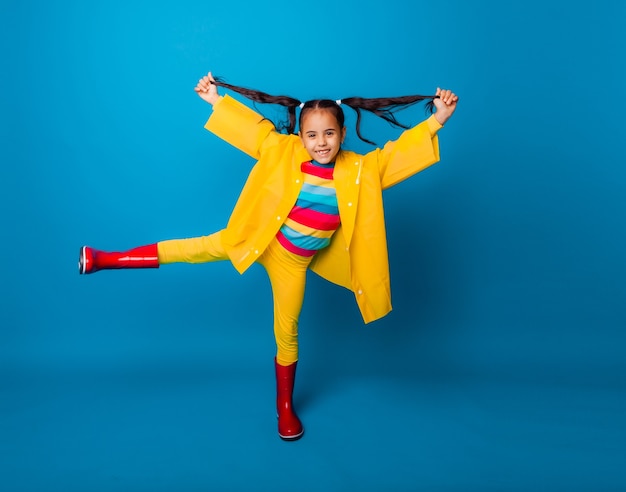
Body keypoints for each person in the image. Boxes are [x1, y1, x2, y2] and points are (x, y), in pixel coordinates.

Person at [78, 72, 458, 441]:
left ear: (343, 134)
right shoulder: (282, 149)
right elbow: (254, 132)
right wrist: (215, 100)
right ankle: (106, 258)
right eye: (312, 135)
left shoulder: (361, 169)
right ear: (300, 136)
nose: (321, 143)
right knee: (196, 248)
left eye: (329, 134)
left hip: (293, 263)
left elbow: (396, 156)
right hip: (258, 238)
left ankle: (285, 406)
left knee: (287, 331)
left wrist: (437, 119)